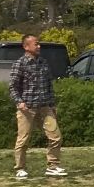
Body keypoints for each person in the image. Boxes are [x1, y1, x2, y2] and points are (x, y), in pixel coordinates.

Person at [9, 34, 65, 178]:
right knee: (23, 139)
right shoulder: (20, 64)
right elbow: (13, 87)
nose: (39, 46)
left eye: (39, 44)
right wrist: (19, 102)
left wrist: (52, 105)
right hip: (27, 108)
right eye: (36, 44)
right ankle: (20, 168)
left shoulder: (43, 63)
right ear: (26, 46)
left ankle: (53, 166)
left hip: (45, 106)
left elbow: (49, 85)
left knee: (55, 136)